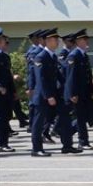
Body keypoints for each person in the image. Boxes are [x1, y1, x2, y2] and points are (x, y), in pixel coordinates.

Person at [30, 28, 71, 156]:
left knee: (65, 117)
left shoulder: (52, 56)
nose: (57, 42)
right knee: (39, 123)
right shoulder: (40, 57)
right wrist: (48, 96)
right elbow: (41, 79)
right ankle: (36, 149)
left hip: (55, 94)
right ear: (47, 41)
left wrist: (67, 88)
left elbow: (58, 75)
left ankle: (67, 146)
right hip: (44, 96)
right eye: (54, 40)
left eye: (57, 40)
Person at [0, 27, 13, 152]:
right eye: (2, 38)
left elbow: (8, 76)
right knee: (1, 118)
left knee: (6, 117)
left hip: (6, 93)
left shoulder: (5, 57)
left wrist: (14, 91)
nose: (5, 40)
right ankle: (2, 143)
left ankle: (3, 142)